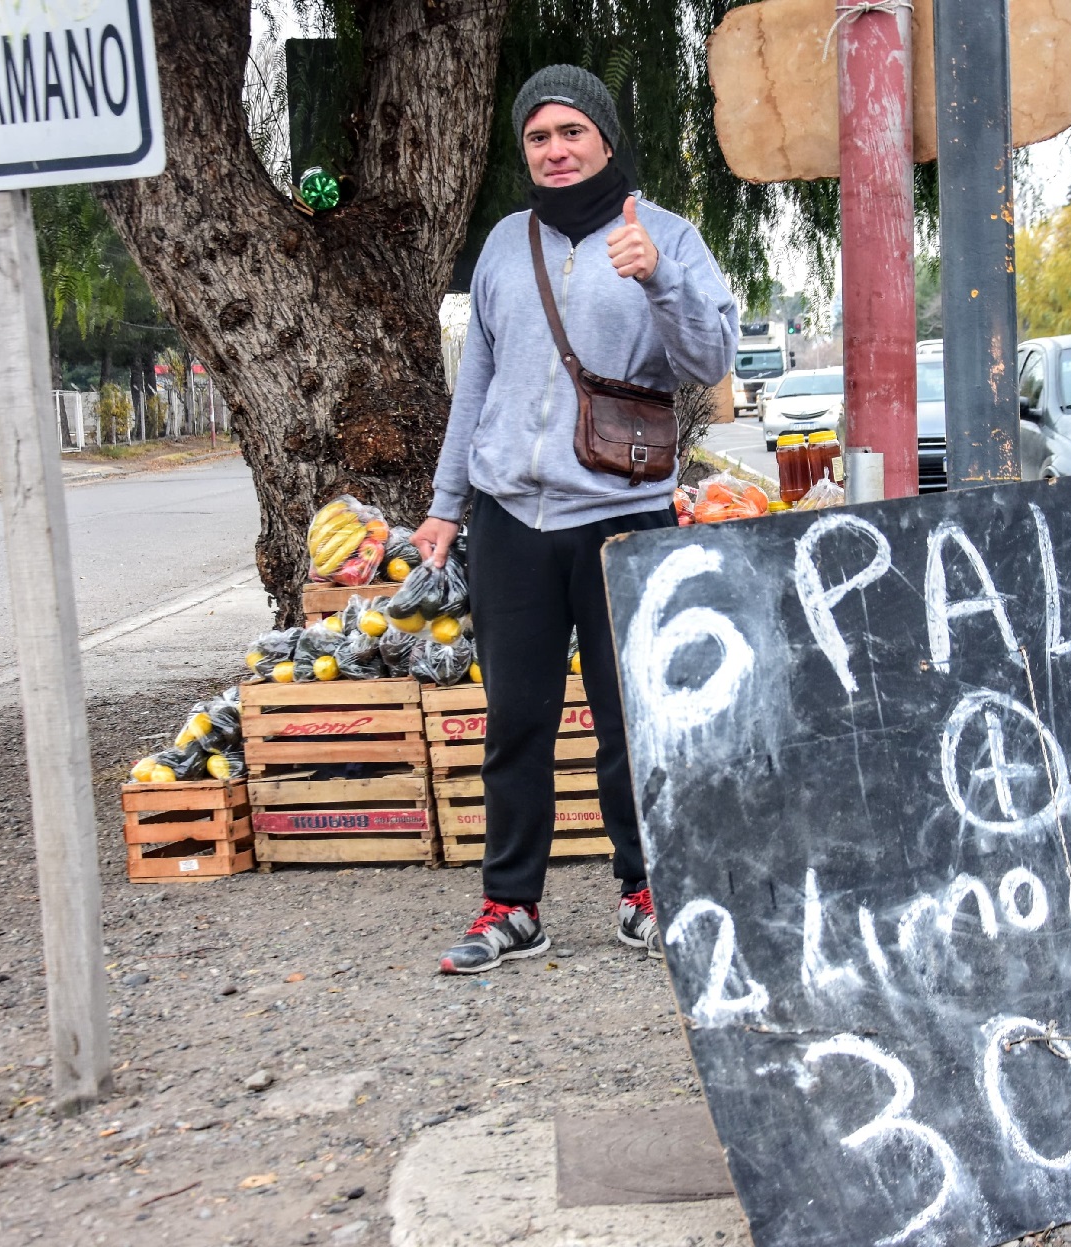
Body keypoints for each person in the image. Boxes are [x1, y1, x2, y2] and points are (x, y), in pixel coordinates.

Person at [412, 65, 738, 975]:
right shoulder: (503, 245)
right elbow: (475, 381)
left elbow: (709, 355)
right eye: (538, 138)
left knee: (628, 719)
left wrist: (661, 279)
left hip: (624, 517)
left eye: (571, 133)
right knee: (517, 719)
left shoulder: (664, 233)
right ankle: (512, 904)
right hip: (513, 519)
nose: (555, 151)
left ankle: (645, 889)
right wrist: (446, 505)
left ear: (603, 138)